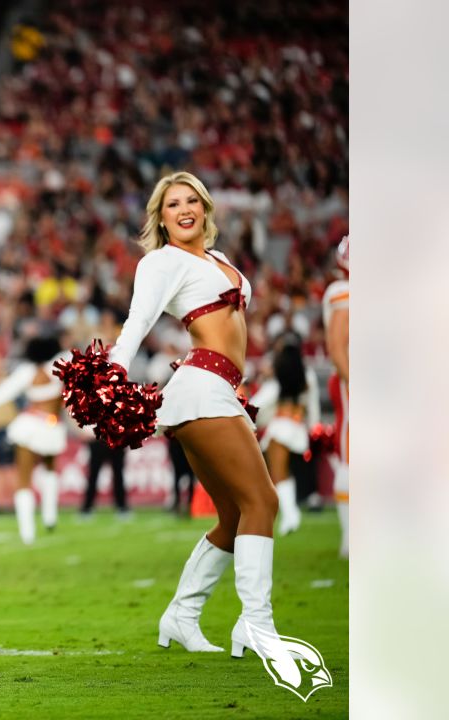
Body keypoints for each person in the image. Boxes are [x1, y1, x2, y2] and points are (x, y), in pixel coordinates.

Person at [102, 171, 287, 659]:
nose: (183, 210)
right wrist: (113, 374)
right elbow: (137, 320)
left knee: (233, 515)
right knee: (262, 502)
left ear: (205, 207)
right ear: (160, 219)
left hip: (223, 388)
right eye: (171, 205)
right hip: (200, 390)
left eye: (191, 201)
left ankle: (182, 616)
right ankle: (257, 624)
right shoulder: (161, 262)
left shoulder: (220, 260)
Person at [0, 336, 68, 543]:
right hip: (49, 426)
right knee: (49, 468)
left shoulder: (28, 372)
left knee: (25, 478)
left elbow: (2, 393)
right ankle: (49, 516)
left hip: (32, 426)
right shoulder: (61, 365)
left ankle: (29, 531)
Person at [248, 332, 320, 535]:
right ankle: (290, 514)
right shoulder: (308, 377)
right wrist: (314, 426)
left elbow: (258, 404)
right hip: (298, 428)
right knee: (284, 474)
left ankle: (291, 515)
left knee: (278, 474)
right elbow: (312, 406)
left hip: (280, 428)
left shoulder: (277, 379)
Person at [322, 236, 349, 558]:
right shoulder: (342, 292)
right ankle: (349, 540)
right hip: (349, 381)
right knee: (350, 454)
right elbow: (339, 346)